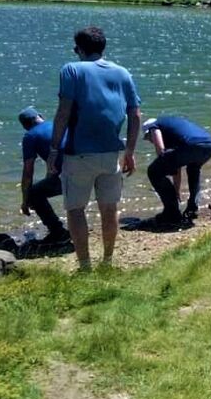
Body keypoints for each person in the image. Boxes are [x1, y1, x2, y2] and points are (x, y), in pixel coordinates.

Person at [48, 27, 141, 270]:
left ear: (79, 48)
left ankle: (85, 266)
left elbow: (63, 113)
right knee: (109, 209)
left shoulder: (71, 69)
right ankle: (108, 261)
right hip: (111, 154)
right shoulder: (123, 73)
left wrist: (54, 150)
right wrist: (130, 151)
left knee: (76, 209)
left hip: (78, 153)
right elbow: (135, 115)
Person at [141, 115, 211, 226]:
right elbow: (176, 167)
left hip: (192, 146)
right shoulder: (171, 127)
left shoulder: (154, 126)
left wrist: (162, 160)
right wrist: (176, 190)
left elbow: (161, 151)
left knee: (154, 171)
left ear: (149, 132)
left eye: (148, 138)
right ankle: (192, 208)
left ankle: (171, 213)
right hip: (209, 145)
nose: (150, 142)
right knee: (193, 169)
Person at [17, 107, 71, 245]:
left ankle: (58, 232)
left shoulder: (30, 136)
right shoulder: (58, 125)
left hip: (68, 175)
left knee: (34, 193)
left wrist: (25, 200)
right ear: (40, 116)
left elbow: (28, 172)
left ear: (25, 126)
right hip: (87, 168)